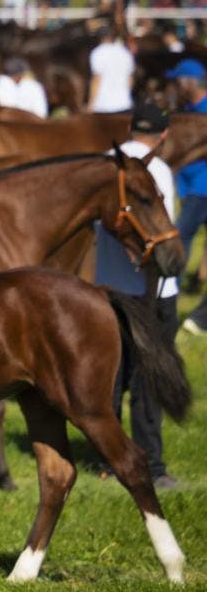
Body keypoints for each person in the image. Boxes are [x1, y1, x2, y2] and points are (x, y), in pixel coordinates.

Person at [93, 103, 179, 490]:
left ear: (129, 127)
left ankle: (108, 459)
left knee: (110, 375)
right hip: (152, 293)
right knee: (148, 379)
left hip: (108, 289)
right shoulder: (156, 170)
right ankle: (154, 466)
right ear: (163, 135)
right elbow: (164, 235)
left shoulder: (104, 166)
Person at [165, 60, 207, 326]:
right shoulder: (190, 110)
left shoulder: (202, 113)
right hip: (192, 189)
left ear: (187, 84)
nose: (174, 88)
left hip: (201, 189)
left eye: (177, 82)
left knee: (179, 239)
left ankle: (169, 294)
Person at [89, 27, 135, 113]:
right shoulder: (124, 52)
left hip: (102, 105)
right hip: (124, 104)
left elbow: (96, 79)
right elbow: (130, 79)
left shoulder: (97, 53)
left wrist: (91, 103)